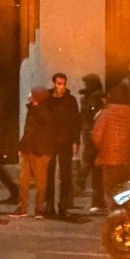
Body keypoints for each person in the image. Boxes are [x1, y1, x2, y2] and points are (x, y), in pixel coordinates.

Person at [92, 85, 130, 208]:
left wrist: (102, 149)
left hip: (109, 159)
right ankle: (126, 213)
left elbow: (97, 136)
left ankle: (114, 216)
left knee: (111, 189)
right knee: (127, 189)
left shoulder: (106, 114)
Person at [11, 87, 55, 218]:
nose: (30, 98)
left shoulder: (45, 112)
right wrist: (22, 146)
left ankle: (39, 209)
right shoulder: (32, 110)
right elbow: (28, 132)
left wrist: (41, 149)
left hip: (40, 152)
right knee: (23, 180)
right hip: (28, 150)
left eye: (32, 96)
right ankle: (23, 207)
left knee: (40, 182)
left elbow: (45, 134)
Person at [45, 73, 80, 217]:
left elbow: (76, 121)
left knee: (65, 174)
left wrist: (75, 140)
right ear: (54, 83)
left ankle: (63, 205)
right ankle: (49, 205)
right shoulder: (47, 99)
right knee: (49, 174)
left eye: (63, 83)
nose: (61, 86)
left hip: (65, 141)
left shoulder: (70, 100)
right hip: (50, 140)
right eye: (59, 83)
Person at [76, 73, 107, 213]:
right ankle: (96, 200)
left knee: (94, 170)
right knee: (93, 169)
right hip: (89, 136)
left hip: (94, 138)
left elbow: (92, 115)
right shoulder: (90, 96)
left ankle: (97, 200)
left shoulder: (97, 98)